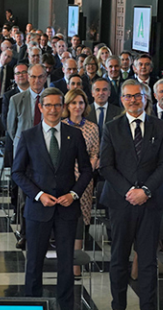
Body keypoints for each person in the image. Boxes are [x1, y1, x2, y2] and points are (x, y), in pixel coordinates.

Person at [12, 87, 92, 310]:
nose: (53, 110)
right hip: (38, 209)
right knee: (34, 262)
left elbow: (87, 170)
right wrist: (38, 195)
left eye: (58, 105)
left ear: (63, 107)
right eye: (48, 105)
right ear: (40, 107)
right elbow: (17, 172)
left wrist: (74, 194)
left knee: (66, 262)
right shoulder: (28, 136)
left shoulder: (74, 134)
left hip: (67, 208)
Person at [99, 79, 163, 310]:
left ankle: (149, 309)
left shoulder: (161, 127)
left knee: (149, 260)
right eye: (128, 97)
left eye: (137, 96)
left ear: (146, 97)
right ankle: (117, 307)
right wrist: (130, 191)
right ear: (121, 100)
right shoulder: (111, 127)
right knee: (119, 258)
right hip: (121, 202)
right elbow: (106, 166)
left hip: (151, 203)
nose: (133, 100)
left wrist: (146, 191)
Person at [61, 88, 99, 277]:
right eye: (74, 103)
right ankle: (64, 259)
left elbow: (95, 153)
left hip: (84, 179)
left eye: (81, 103)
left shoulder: (92, 127)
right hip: (64, 178)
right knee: (65, 217)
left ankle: (76, 263)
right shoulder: (60, 126)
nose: (77, 106)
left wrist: (87, 170)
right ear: (67, 106)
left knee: (81, 219)